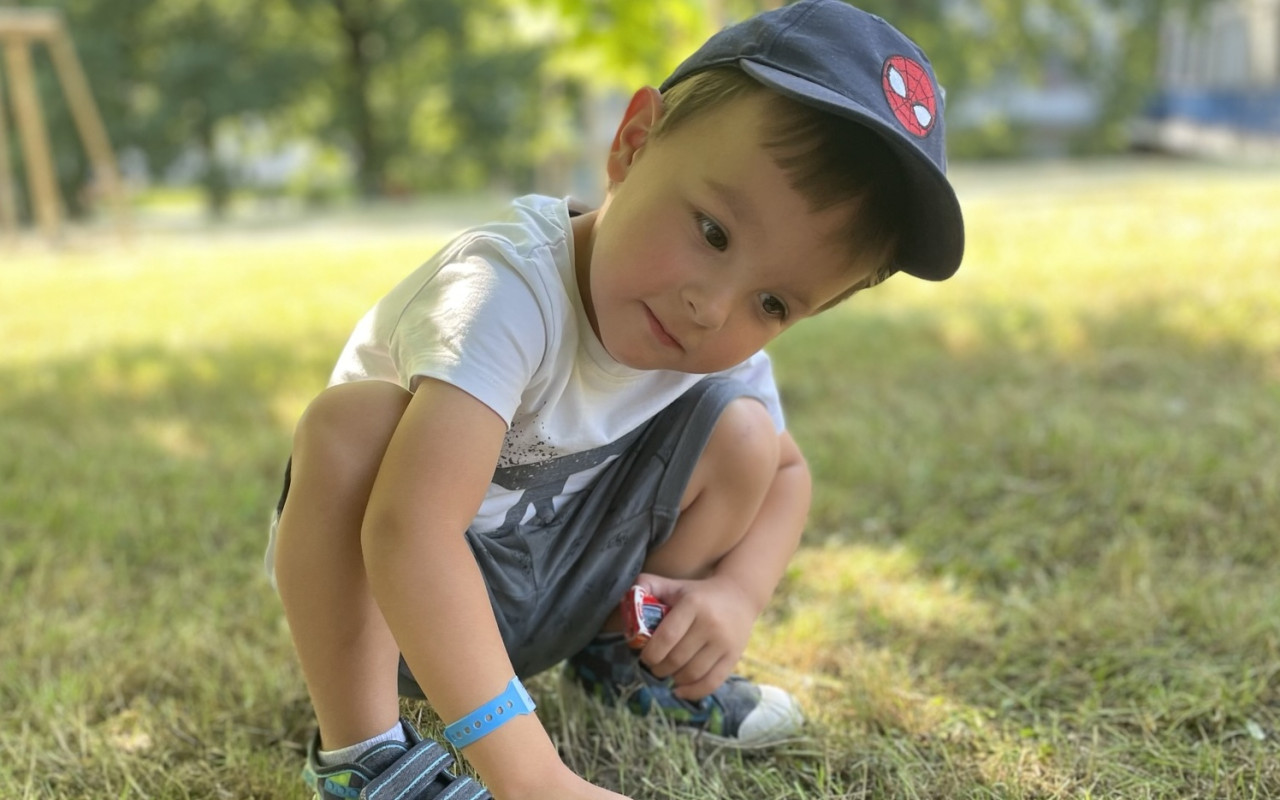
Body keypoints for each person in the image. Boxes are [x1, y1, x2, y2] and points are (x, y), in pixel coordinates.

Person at [264, 1, 965, 798]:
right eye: (712, 232)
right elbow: (409, 533)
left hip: (561, 584)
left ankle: (627, 657)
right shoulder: (505, 288)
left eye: (774, 303)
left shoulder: (708, 340)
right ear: (633, 146)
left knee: (746, 436)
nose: (714, 307)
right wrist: (532, 776)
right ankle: (364, 755)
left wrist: (736, 595)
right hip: (388, 606)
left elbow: (786, 475)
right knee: (353, 427)